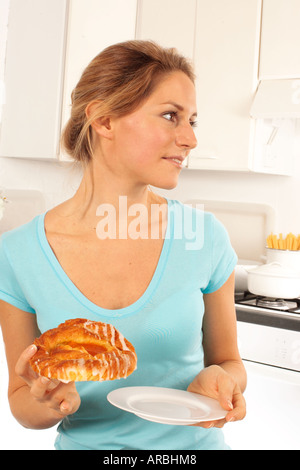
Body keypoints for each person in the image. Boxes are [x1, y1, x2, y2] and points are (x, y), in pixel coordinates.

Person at [0, 40, 246, 450]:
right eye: (171, 116)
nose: (190, 139)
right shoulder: (19, 254)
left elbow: (229, 361)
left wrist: (223, 379)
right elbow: (20, 400)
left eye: (192, 121)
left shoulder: (204, 236)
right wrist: (49, 402)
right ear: (104, 119)